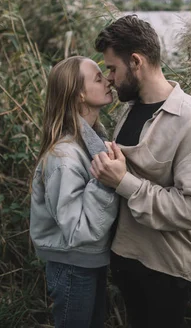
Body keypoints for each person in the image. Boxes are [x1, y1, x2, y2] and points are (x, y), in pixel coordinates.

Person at [90, 15, 191, 328]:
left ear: (136, 62)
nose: (109, 78)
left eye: (112, 68)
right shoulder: (129, 108)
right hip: (125, 257)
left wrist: (123, 182)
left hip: (164, 270)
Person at [29, 56, 119, 328]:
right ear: (80, 94)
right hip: (72, 267)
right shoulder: (65, 157)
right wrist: (105, 179)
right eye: (98, 78)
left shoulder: (92, 143)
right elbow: (77, 230)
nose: (108, 80)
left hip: (89, 262)